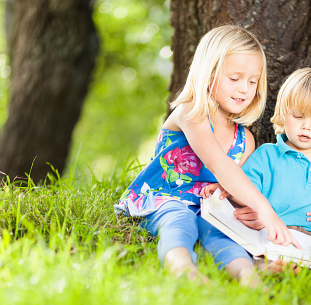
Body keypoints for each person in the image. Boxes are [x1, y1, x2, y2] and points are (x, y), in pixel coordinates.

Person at [114, 25, 299, 283]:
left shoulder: (244, 140)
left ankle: (249, 277)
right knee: (179, 222)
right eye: (234, 79)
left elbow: (235, 186)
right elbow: (219, 164)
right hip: (164, 199)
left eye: (252, 81)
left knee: (222, 233)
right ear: (208, 74)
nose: (244, 89)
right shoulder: (191, 113)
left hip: (209, 210)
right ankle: (182, 269)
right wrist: (264, 208)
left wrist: (247, 209)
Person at [200, 68, 311, 292]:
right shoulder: (268, 155)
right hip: (274, 231)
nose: (307, 126)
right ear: (284, 114)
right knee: (259, 252)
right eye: (298, 116)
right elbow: (244, 188)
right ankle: (271, 270)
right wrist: (226, 188)